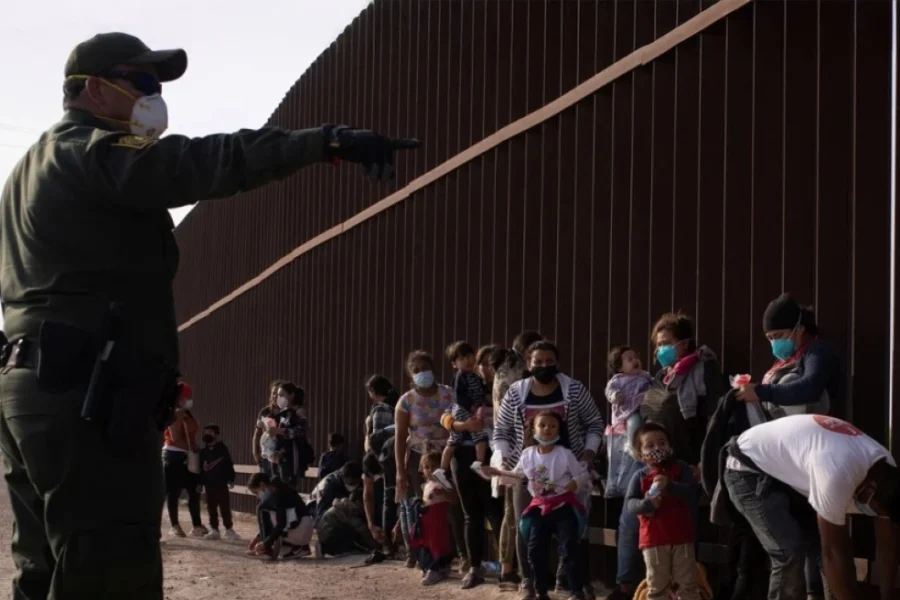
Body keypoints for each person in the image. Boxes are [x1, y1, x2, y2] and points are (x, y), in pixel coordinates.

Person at [0, 30, 418, 597]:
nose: (154, 96)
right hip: (83, 397)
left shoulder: (28, 171)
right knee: (108, 568)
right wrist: (324, 143)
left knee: (46, 567)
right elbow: (202, 162)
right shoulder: (90, 150)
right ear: (94, 90)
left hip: (34, 387)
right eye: (143, 82)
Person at [721, 414, 900, 600]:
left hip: (790, 472)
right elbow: (832, 552)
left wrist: (888, 596)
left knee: (832, 547)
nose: (874, 514)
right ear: (870, 489)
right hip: (746, 469)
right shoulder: (836, 474)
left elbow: (888, 544)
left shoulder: (886, 468)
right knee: (789, 551)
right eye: (876, 511)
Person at [494, 340, 604, 600]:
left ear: (557, 362)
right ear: (529, 364)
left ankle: (574, 582)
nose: (544, 365)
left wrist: (588, 454)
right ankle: (528, 582)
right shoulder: (516, 392)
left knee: (574, 528)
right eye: (537, 361)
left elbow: (595, 423)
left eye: (549, 361)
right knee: (526, 527)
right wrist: (502, 461)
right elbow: (502, 431)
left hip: (570, 472)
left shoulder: (574, 389)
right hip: (529, 474)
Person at [487, 410, 590, 600]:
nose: (547, 429)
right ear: (533, 429)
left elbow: (583, 475)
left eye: (552, 426)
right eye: (542, 425)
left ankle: (576, 591)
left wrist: (574, 483)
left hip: (563, 507)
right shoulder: (527, 454)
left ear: (559, 430)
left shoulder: (565, 454)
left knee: (569, 549)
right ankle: (541, 592)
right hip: (539, 508)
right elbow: (516, 476)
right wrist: (495, 472)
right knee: (534, 551)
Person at [439, 343, 497, 589]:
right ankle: (473, 566)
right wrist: (462, 425)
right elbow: (446, 415)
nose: (481, 366)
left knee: (496, 513)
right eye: (480, 362)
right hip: (463, 456)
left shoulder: (503, 389)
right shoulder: (463, 381)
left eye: (487, 363)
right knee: (471, 514)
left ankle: (508, 567)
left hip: (494, 456)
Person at [491, 330, 544, 590]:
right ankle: (509, 570)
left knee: (510, 512)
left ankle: (508, 568)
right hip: (517, 449)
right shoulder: (514, 372)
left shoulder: (504, 369)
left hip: (511, 448)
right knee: (514, 512)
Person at [394, 350, 456, 568]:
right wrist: (400, 469)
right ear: (411, 375)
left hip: (446, 455)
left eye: (425, 368)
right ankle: (417, 551)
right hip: (418, 457)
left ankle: (447, 550)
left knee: (444, 503)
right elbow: (400, 437)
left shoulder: (449, 394)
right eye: (416, 370)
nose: (422, 373)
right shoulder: (406, 401)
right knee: (416, 505)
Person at [625, 423, 701, 600]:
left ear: (670, 447)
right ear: (640, 455)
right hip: (654, 540)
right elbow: (630, 504)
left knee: (688, 585)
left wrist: (671, 486)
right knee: (657, 586)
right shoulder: (640, 476)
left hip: (682, 538)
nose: (657, 448)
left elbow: (693, 493)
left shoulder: (681, 469)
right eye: (650, 446)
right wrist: (648, 504)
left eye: (662, 443)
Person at [736, 294, 839, 420]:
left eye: (778, 335)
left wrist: (759, 392)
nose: (774, 342)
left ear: (799, 329)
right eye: (770, 338)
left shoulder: (817, 351)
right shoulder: (786, 360)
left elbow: (810, 388)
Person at [604, 346, 651, 498]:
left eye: (636, 357)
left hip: (645, 409)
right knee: (634, 422)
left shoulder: (645, 376)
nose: (635, 360)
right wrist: (615, 396)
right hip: (628, 414)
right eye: (629, 359)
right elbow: (609, 391)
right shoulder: (618, 380)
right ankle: (633, 447)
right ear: (620, 367)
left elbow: (656, 384)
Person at [438, 341, 489, 480]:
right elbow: (459, 397)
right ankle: (478, 463)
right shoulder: (460, 376)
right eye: (461, 359)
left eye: (469, 356)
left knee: (455, 440)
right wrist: (471, 407)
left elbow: (482, 391)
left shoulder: (475, 377)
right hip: (463, 410)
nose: (467, 361)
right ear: (454, 364)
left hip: (470, 409)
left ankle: (442, 470)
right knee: (478, 435)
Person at [163, 382, 207, 538]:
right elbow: (175, 438)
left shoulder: (188, 413)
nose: (189, 400)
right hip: (174, 455)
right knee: (173, 491)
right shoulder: (175, 414)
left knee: (193, 490)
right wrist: (193, 449)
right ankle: (175, 525)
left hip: (189, 455)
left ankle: (196, 524)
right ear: (179, 398)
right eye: (187, 397)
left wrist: (196, 449)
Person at [409, 452, 458, 586]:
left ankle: (437, 568)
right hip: (426, 519)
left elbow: (453, 499)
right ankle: (432, 566)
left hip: (438, 518)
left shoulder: (444, 482)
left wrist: (443, 493)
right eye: (426, 467)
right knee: (426, 543)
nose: (430, 470)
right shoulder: (427, 484)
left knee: (438, 544)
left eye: (433, 466)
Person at [245, 473, 313, 561]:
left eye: (256, 492)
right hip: (305, 527)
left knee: (262, 509)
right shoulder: (278, 488)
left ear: (262, 485)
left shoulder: (277, 493)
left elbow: (281, 523)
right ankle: (299, 548)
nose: (257, 496)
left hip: (300, 528)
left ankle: (266, 550)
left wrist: (265, 543)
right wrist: (259, 536)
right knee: (282, 550)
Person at [199, 423, 239, 541]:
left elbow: (228, 465)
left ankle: (229, 529)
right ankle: (214, 530)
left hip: (221, 483)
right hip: (209, 484)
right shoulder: (203, 452)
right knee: (211, 507)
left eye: (210, 432)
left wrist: (231, 478)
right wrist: (200, 483)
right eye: (205, 432)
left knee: (224, 507)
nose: (207, 435)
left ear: (216, 435)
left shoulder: (222, 449)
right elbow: (201, 469)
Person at [311, 461, 364, 526]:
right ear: (343, 477)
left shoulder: (361, 481)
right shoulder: (328, 484)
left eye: (355, 483)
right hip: (316, 509)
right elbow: (320, 515)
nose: (353, 486)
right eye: (350, 483)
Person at [253, 380, 284, 475]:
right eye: (273, 393)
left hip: (282, 457)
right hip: (266, 457)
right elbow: (257, 434)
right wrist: (256, 454)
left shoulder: (287, 412)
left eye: (278, 394)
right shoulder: (265, 412)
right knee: (266, 487)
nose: (275, 396)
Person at [365, 374, 399, 453]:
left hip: (381, 458)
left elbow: (375, 442)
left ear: (373, 391)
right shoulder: (396, 406)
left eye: (369, 392)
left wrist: (367, 425)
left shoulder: (381, 409)